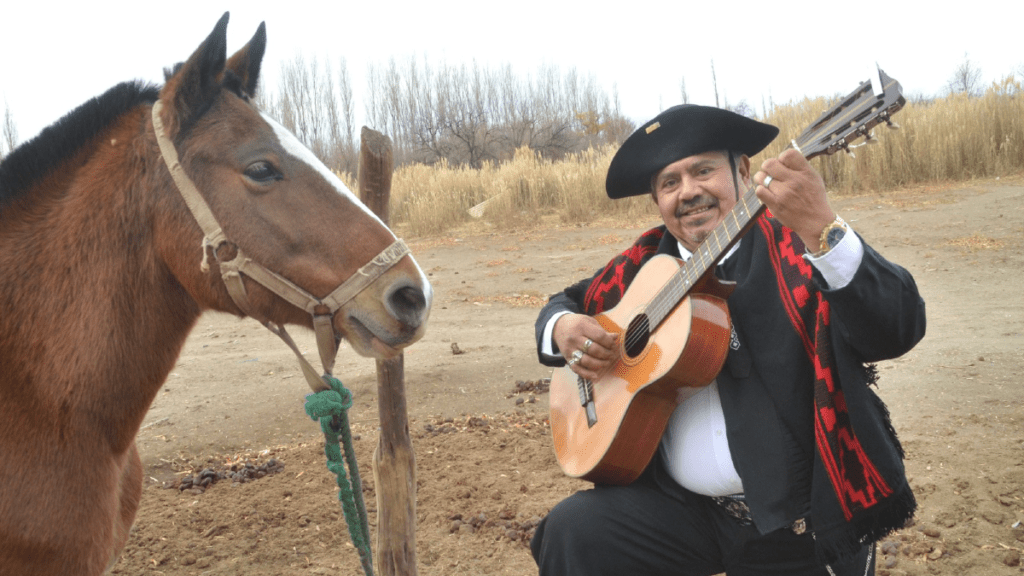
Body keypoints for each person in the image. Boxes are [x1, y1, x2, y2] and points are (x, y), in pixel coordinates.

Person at [531, 104, 926, 576]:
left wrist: (824, 228)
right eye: (669, 183)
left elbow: (898, 327)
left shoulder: (800, 245)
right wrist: (562, 328)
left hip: (800, 525)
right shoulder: (642, 266)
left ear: (742, 172)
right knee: (574, 529)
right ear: (657, 200)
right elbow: (565, 305)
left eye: (703, 171)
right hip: (683, 515)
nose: (688, 192)